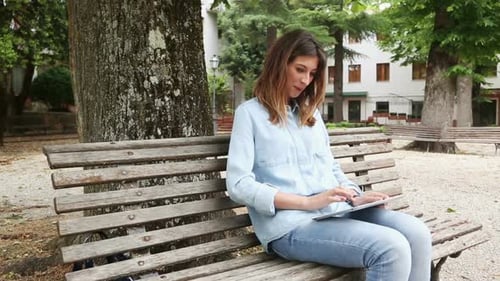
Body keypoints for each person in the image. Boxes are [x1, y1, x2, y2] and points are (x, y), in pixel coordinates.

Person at [225, 29, 432, 281]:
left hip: (333, 212)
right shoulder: (249, 114)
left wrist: (354, 195)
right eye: (300, 69)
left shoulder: (311, 116)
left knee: (417, 233)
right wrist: (307, 202)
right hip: (289, 226)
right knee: (391, 247)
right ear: (280, 65)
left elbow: (330, 167)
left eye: (312, 74)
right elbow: (238, 184)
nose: (305, 80)